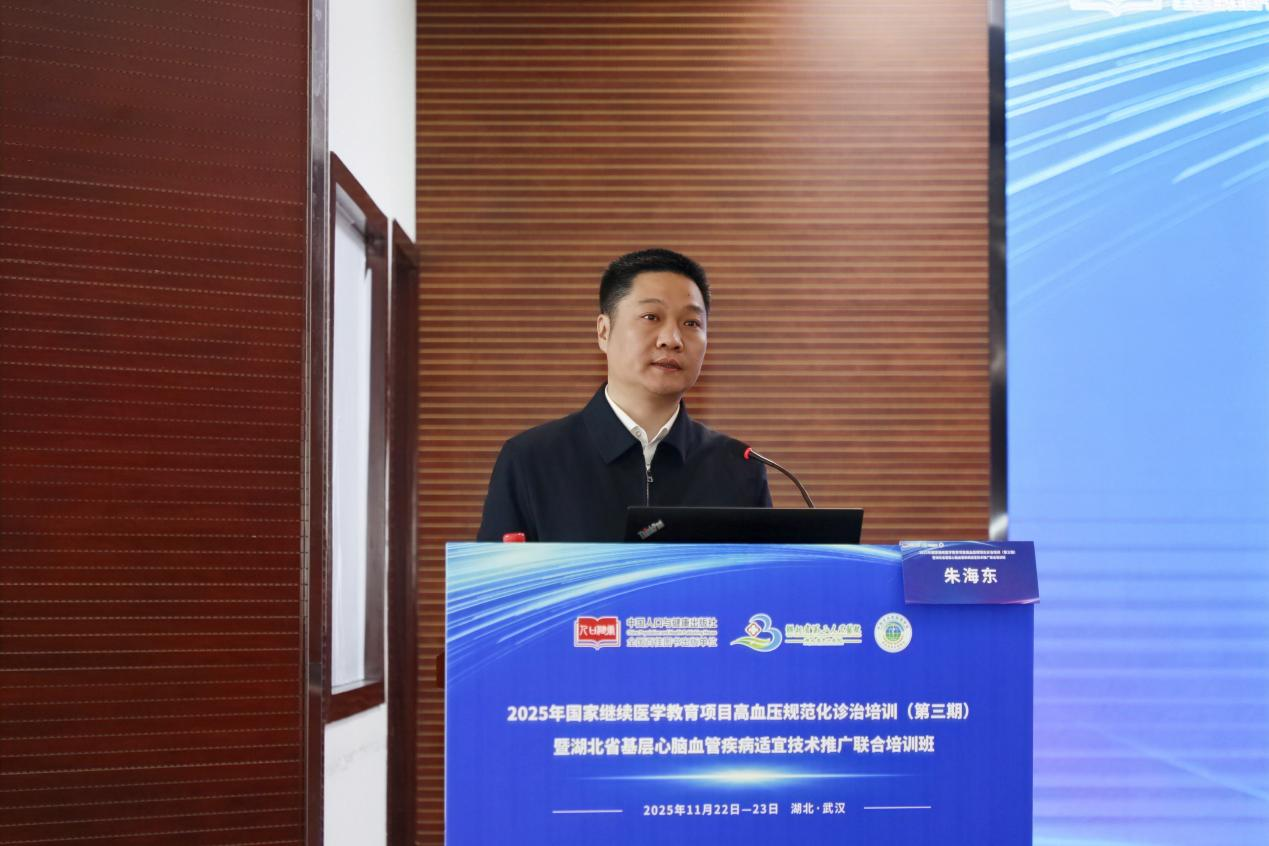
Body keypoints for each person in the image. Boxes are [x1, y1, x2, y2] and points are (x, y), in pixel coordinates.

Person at [476, 248, 771, 541]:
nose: (672, 339)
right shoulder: (531, 461)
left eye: (691, 323)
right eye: (651, 316)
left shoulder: (739, 468)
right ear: (604, 332)